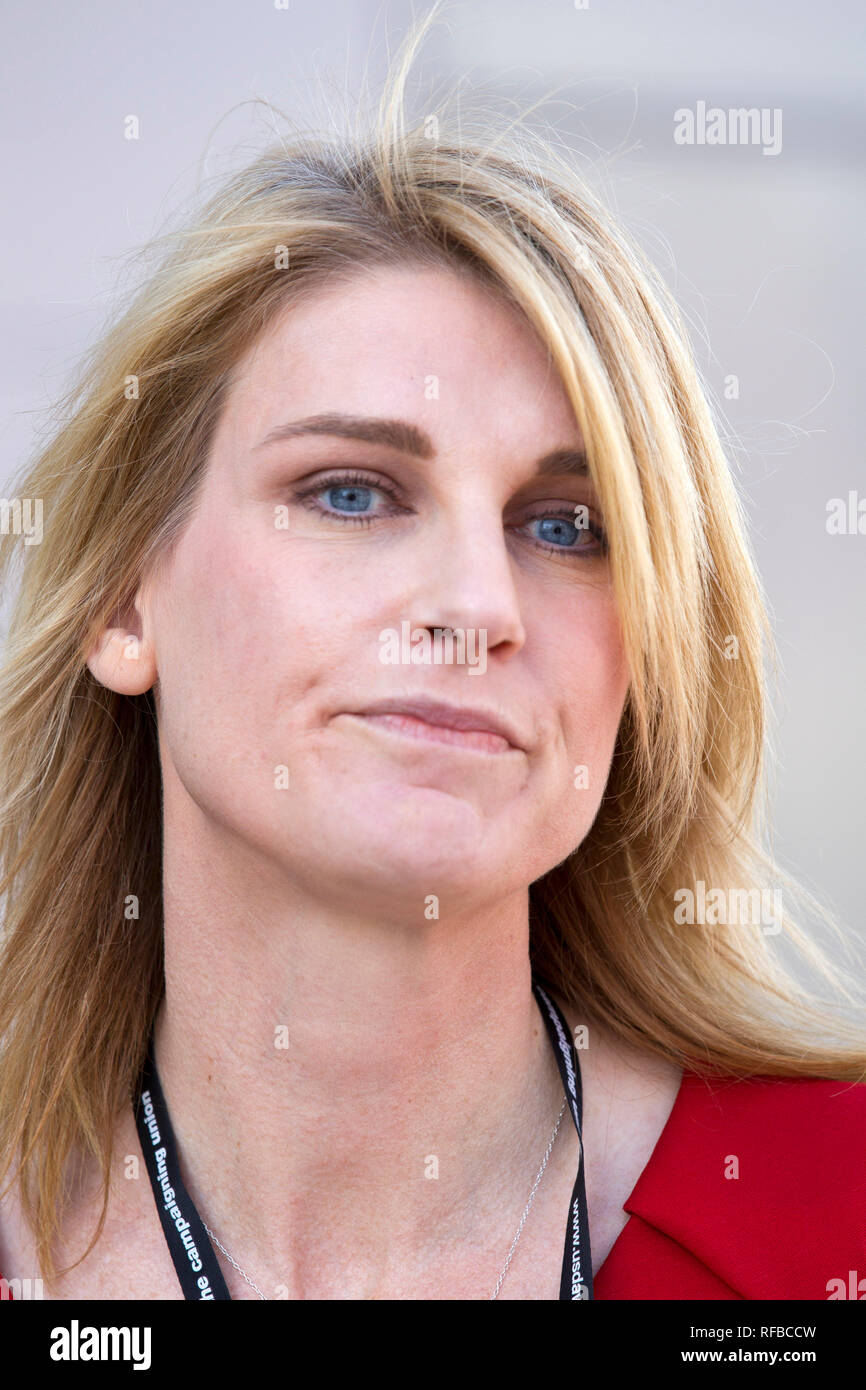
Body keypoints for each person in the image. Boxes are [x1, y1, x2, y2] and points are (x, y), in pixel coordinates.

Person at [0, 10, 863, 1301]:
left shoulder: (830, 1219)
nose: (476, 601)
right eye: (351, 492)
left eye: (566, 526)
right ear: (126, 597)